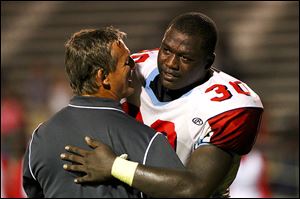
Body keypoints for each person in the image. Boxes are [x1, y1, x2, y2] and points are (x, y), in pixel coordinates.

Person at [60, 12, 264, 197]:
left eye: (185, 57)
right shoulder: (135, 69)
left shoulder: (231, 106)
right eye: (166, 50)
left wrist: (115, 167)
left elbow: (194, 188)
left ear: (208, 62)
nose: (171, 63)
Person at [22, 27, 185, 198]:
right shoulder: (144, 138)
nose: (133, 65)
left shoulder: (39, 138)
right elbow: (185, 191)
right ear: (103, 77)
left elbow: (34, 190)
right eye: (126, 61)